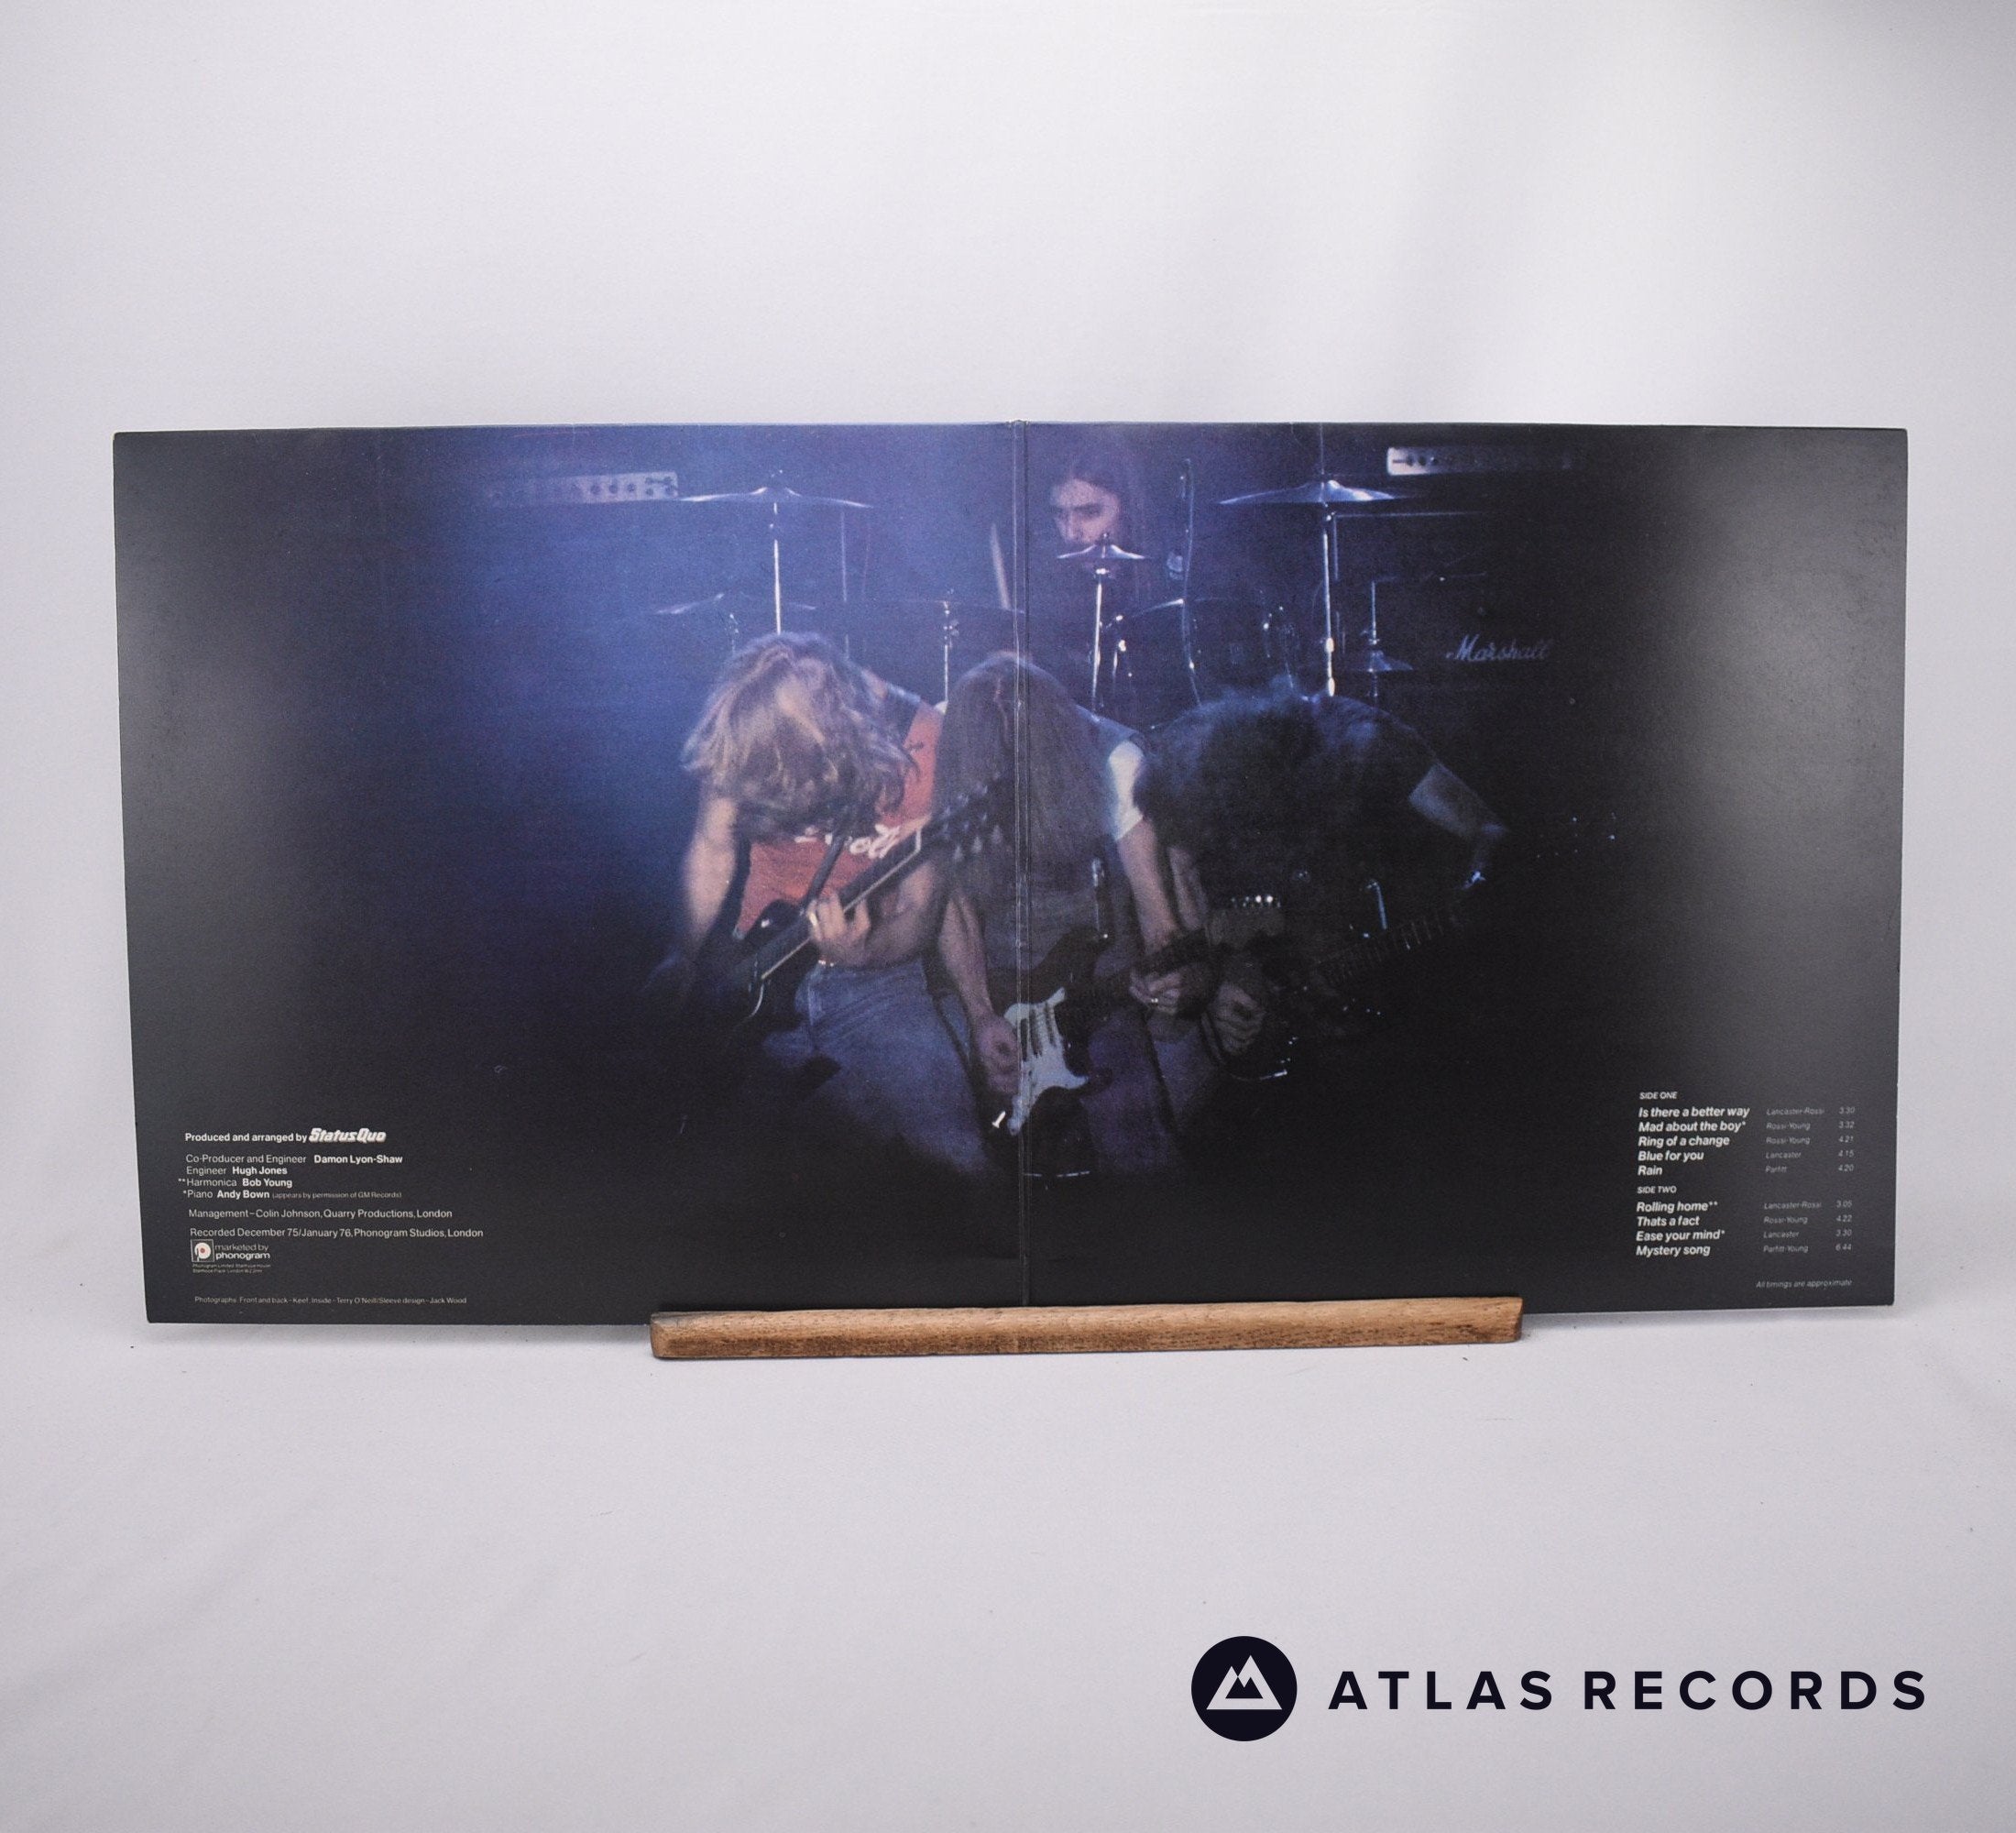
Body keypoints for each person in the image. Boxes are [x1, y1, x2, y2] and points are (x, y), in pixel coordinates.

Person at [671, 631, 990, 1180]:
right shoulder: (751, 723)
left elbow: (921, 912)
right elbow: (711, 847)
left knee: (956, 1159)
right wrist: (682, 956)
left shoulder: (921, 742)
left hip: (875, 979)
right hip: (755, 963)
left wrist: (864, 952)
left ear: (829, 738)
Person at [932, 653, 1206, 1178]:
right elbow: (951, 901)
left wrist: (1178, 979)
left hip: (1094, 986)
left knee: (1136, 1141)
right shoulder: (940, 738)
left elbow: (1161, 920)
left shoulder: (1117, 760)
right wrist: (980, 1013)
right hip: (983, 978)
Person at [1137, 686, 1508, 1071]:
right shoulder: (1200, 780)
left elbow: (1490, 832)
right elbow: (1199, 884)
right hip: (1324, 1030)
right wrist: (1224, 983)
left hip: (1432, 996)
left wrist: (1475, 894)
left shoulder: (1367, 743)